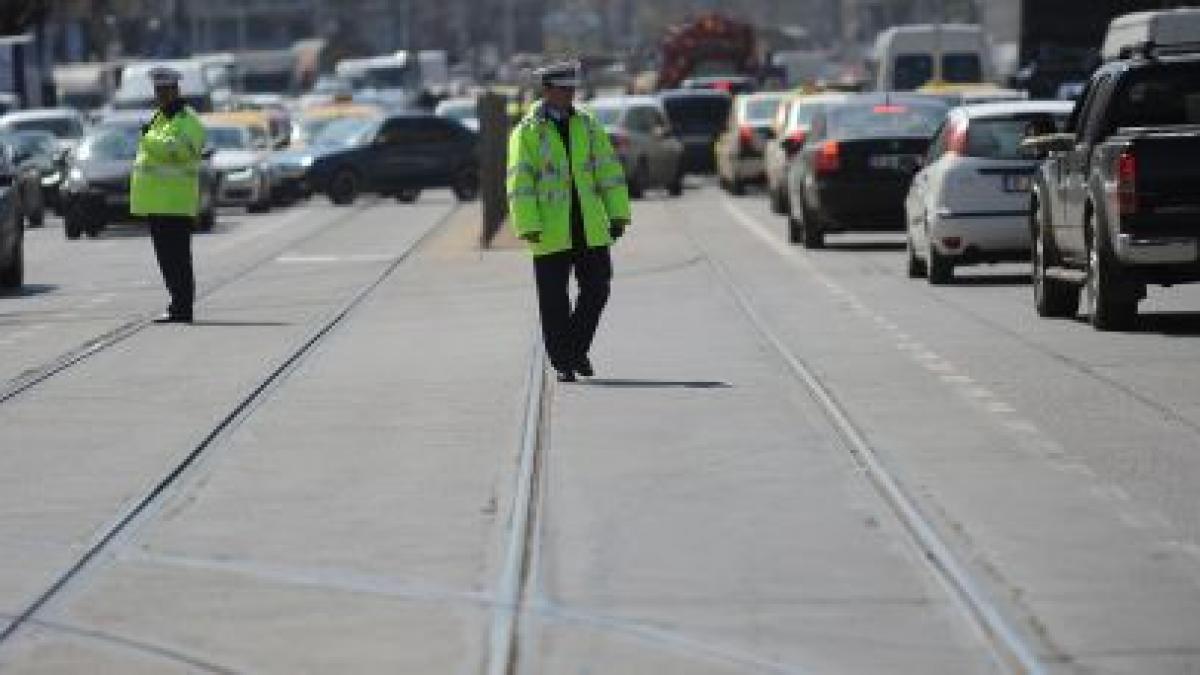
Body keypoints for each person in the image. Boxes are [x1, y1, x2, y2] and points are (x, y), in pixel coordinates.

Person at [506, 61, 631, 382]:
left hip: (588, 225)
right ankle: (563, 361)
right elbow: (520, 183)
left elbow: (608, 171)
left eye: (572, 89)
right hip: (548, 229)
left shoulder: (588, 125)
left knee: (598, 289)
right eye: (564, 89)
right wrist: (527, 224)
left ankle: (574, 348)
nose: (570, 95)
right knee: (553, 301)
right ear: (547, 90)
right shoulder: (527, 132)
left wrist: (617, 213)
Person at [130, 66, 205, 324]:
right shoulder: (160, 118)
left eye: (165, 91)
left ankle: (183, 308)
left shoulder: (187, 120)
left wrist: (147, 139)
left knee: (178, 259)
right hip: (157, 203)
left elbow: (177, 151)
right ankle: (176, 305)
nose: (160, 96)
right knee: (166, 260)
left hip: (175, 203)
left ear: (175, 90)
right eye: (157, 91)